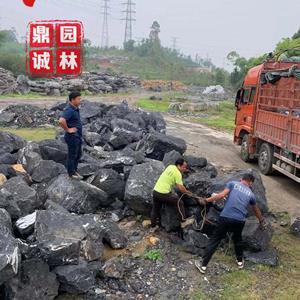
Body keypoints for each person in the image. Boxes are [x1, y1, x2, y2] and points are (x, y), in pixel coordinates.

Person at [195, 173, 267, 274]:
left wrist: (206, 200)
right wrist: (261, 220)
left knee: (215, 239)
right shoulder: (251, 194)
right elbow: (256, 210)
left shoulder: (233, 184)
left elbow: (221, 195)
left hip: (226, 217)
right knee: (237, 239)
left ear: (241, 179)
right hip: (240, 220)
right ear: (250, 183)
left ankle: (203, 265)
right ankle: (240, 261)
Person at [151, 158, 196, 229]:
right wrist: (187, 193)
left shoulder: (170, 166)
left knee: (155, 209)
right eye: (184, 167)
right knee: (179, 202)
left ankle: (153, 225)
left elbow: (169, 178)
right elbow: (180, 187)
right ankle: (183, 221)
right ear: (179, 165)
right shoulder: (178, 173)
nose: (185, 169)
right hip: (163, 193)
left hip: (156, 191)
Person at [59, 91, 83, 180]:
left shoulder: (75, 108)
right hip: (72, 137)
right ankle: (71, 173)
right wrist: (68, 129)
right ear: (72, 100)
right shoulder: (69, 109)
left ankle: (74, 170)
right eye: (78, 99)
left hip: (77, 136)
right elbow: (61, 120)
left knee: (78, 154)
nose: (80, 100)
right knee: (72, 155)